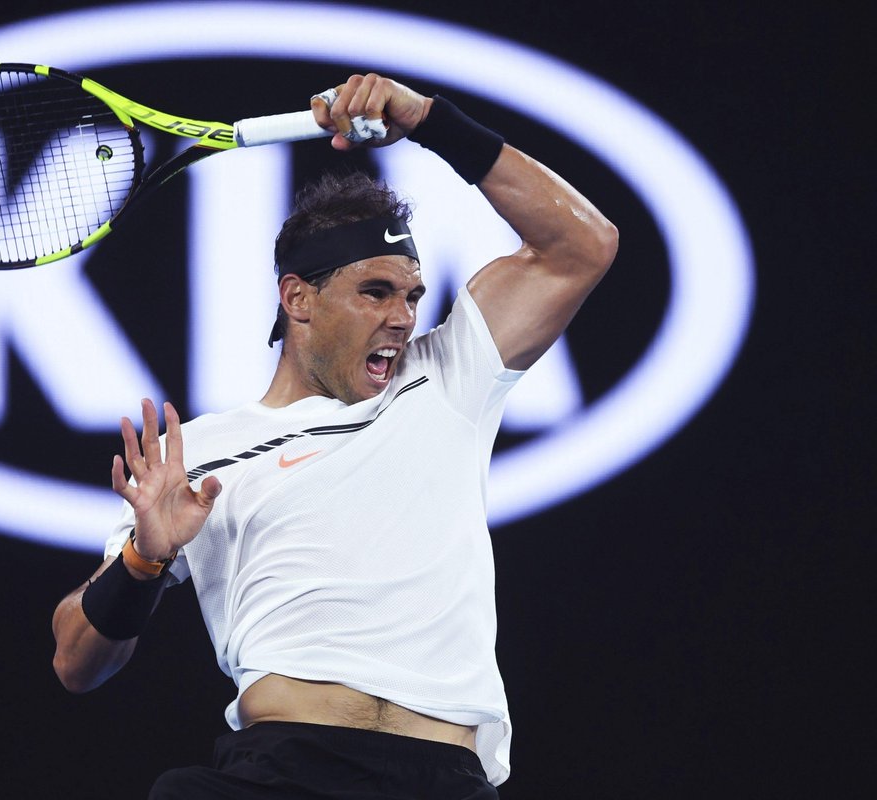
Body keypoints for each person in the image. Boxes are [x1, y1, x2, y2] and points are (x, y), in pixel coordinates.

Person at [52, 72, 618, 798]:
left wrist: (429, 121)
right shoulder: (198, 455)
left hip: (441, 779)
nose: (404, 317)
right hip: (283, 773)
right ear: (298, 299)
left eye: (412, 294)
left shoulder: (449, 376)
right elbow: (76, 660)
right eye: (375, 292)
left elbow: (583, 245)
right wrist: (141, 560)